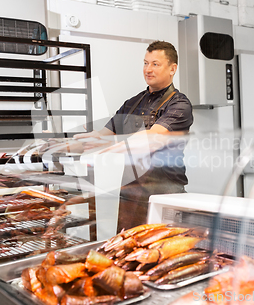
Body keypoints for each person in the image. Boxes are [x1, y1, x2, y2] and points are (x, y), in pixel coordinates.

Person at [74, 40, 193, 231]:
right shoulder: (132, 103)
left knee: (159, 253)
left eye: (155, 64)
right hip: (131, 194)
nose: (148, 69)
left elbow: (152, 137)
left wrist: (110, 145)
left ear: (172, 68)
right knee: (127, 251)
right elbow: (103, 134)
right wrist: (71, 141)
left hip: (165, 194)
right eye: (145, 63)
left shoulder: (179, 105)